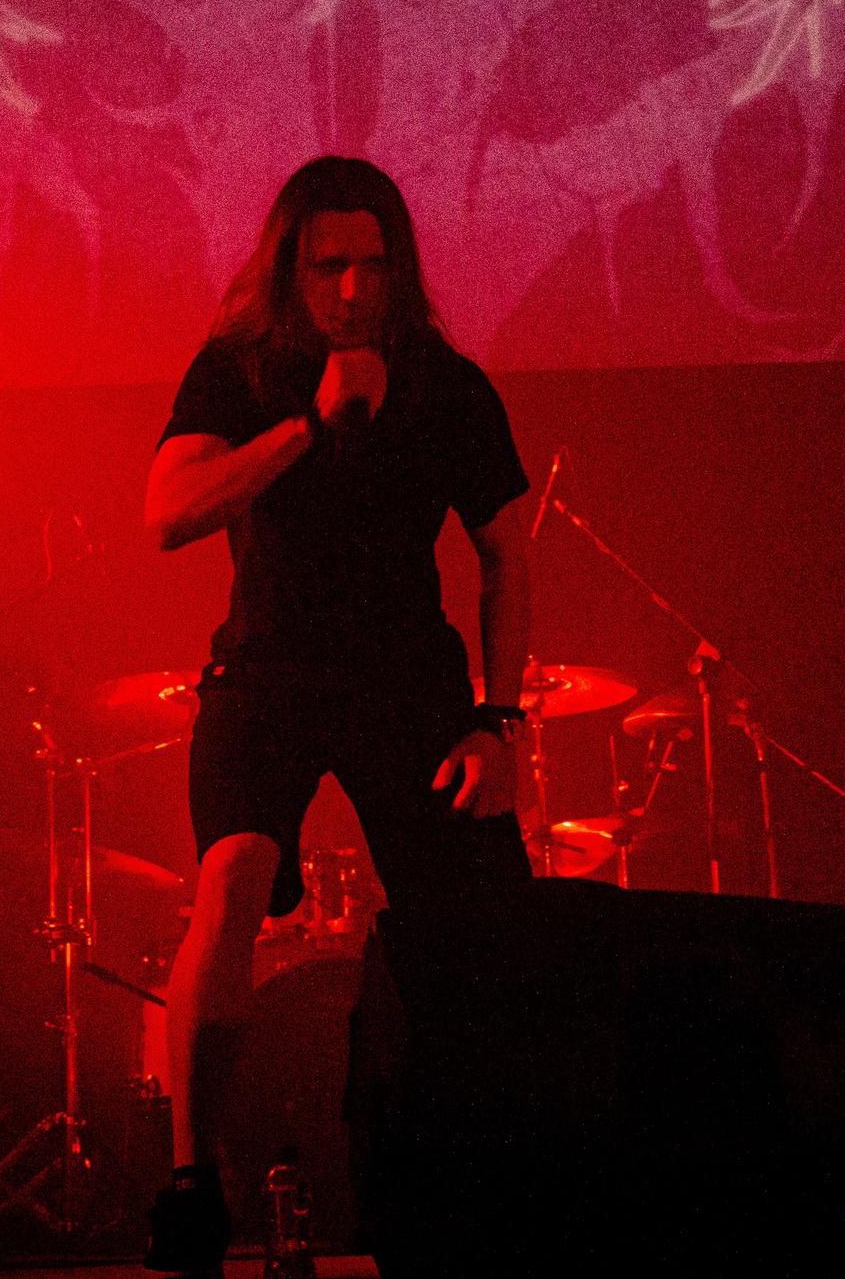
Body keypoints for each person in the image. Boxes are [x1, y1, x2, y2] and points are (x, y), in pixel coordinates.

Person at [141, 157, 536, 1275]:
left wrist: (498, 723)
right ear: (290, 269)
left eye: (371, 265)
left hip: (407, 677)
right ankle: (192, 1181)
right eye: (328, 267)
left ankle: (488, 1176)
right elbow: (166, 512)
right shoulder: (239, 369)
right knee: (230, 879)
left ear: (398, 268)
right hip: (266, 669)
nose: (353, 289)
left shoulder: (445, 385)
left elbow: (507, 551)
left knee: (480, 928)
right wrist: (308, 426)